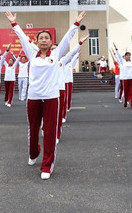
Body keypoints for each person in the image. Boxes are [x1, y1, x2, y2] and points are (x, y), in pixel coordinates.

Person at [5, 9, 85, 180]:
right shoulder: (31, 53)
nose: (43, 40)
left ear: (51, 41)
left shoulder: (56, 54)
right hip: (33, 97)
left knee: (49, 131)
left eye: (46, 38)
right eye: (40, 38)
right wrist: (14, 23)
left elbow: (67, 39)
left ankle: (47, 165)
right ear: (36, 41)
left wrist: (76, 23)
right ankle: (34, 153)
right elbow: (21, 36)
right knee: (33, 130)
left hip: (51, 98)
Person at [113, 42, 132, 110]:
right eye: (127, 55)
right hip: (125, 79)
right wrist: (116, 49)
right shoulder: (122, 62)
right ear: (125, 56)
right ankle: (125, 102)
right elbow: (119, 56)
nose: (128, 57)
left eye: (129, 55)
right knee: (126, 92)